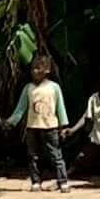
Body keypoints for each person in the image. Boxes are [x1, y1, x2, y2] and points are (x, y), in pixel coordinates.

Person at [16, 55, 70, 190]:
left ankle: (63, 181)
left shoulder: (54, 87)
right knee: (33, 156)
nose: (34, 71)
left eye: (38, 68)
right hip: (32, 127)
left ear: (47, 70)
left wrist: (63, 126)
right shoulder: (29, 88)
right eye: (32, 68)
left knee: (56, 155)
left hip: (51, 127)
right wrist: (10, 122)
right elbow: (21, 108)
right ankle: (36, 181)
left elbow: (60, 108)